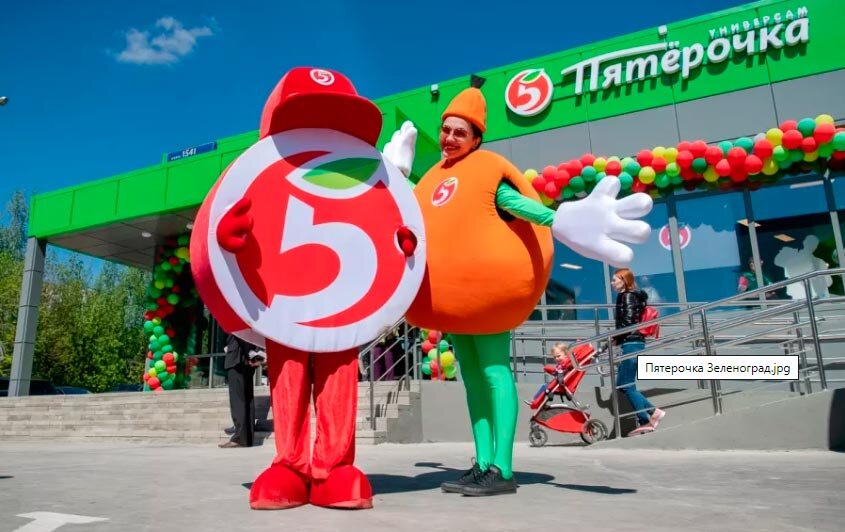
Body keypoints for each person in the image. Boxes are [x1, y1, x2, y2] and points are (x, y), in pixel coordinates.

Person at [402, 84, 652, 496]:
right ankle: (482, 462)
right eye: (446, 130)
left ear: (476, 139)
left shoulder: (485, 172)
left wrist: (558, 220)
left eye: (460, 132)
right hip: (453, 303)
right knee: (472, 380)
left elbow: (518, 205)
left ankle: (502, 468)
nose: (449, 138)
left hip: (486, 300)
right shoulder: (433, 179)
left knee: (494, 373)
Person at [612, 268, 665, 436]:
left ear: (624, 280)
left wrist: (615, 336)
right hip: (632, 342)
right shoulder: (632, 295)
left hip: (631, 343)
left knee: (626, 385)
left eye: (615, 280)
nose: (612, 283)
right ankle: (653, 412)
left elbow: (628, 322)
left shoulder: (627, 295)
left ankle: (645, 421)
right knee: (622, 384)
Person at [219, 334, 261, 448]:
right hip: (246, 361)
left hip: (237, 360)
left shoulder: (237, 324)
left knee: (238, 401)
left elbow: (241, 338)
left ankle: (239, 438)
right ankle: (247, 438)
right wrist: (255, 357)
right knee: (247, 400)